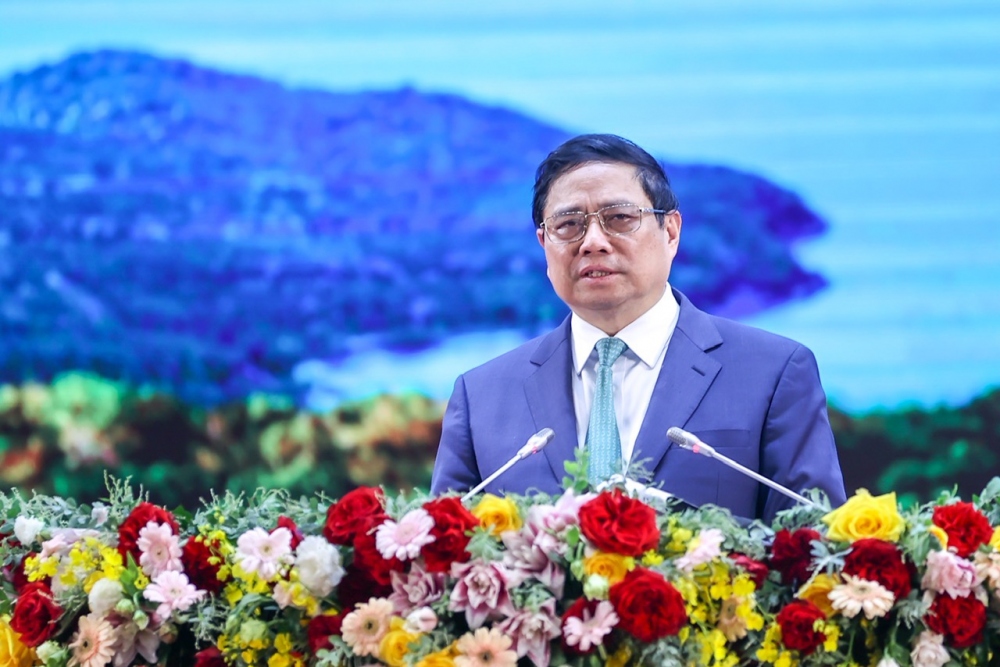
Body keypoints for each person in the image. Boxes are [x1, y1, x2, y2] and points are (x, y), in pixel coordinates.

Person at [430, 134, 846, 522]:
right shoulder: (480, 396)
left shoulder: (773, 372)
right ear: (544, 243)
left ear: (671, 232)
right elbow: (440, 554)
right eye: (568, 225)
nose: (593, 241)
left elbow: (811, 544)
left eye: (619, 218)